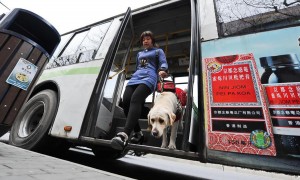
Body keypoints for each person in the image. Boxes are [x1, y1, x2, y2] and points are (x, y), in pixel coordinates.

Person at [111, 31, 168, 150]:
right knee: (126, 101)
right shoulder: (139, 53)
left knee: (135, 99)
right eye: (143, 39)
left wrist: (162, 70)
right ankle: (138, 133)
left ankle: (125, 134)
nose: (145, 41)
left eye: (148, 39)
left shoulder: (158, 51)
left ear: (152, 41)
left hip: (149, 78)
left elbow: (163, 62)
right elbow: (138, 67)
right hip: (135, 78)